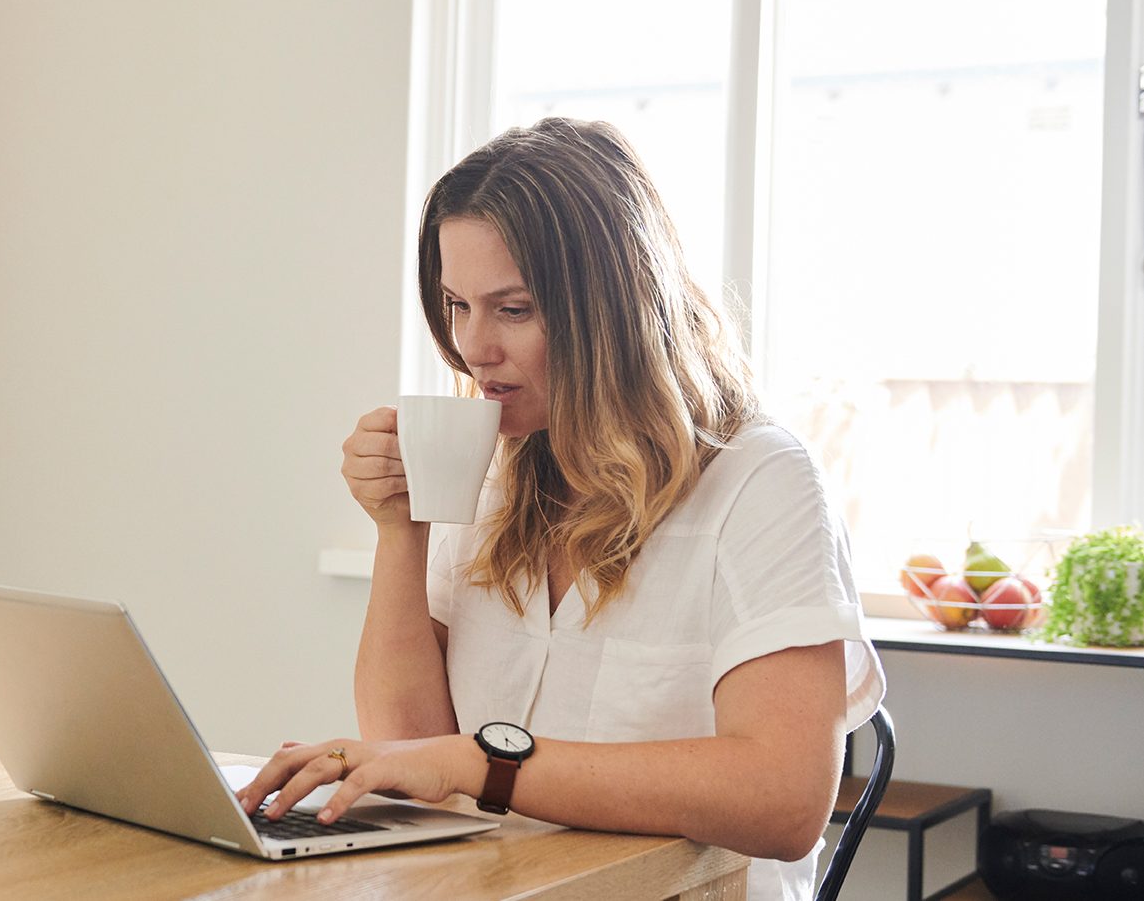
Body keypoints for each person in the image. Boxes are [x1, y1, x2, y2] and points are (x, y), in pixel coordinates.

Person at [234, 118, 884, 900]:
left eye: (512, 310)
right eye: (455, 304)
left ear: (611, 310)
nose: (472, 346)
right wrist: (399, 531)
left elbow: (783, 799)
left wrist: (486, 760)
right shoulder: (490, 465)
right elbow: (406, 746)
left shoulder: (760, 480)